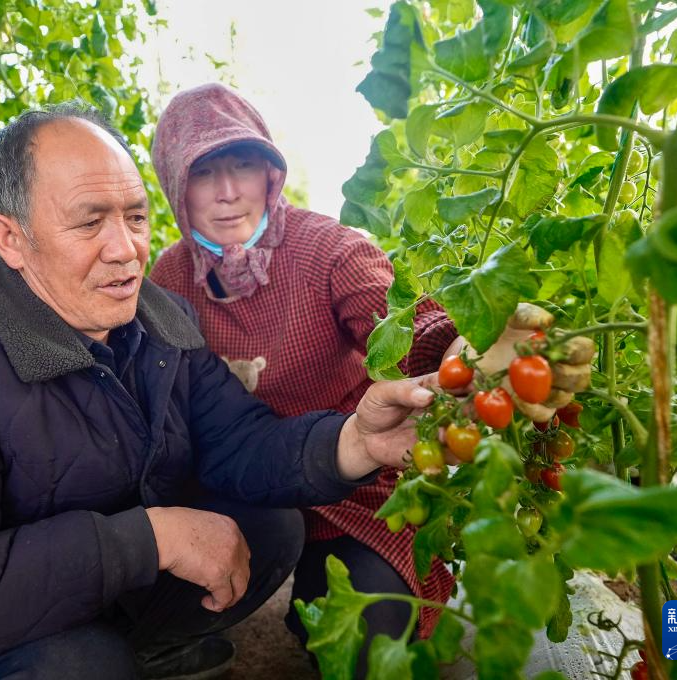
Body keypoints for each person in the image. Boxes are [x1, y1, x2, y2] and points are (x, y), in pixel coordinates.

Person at [0, 102, 448, 680]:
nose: (124, 249)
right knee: (79, 667)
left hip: (96, 587)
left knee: (269, 529)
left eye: (134, 217)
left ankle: (144, 652)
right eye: (89, 222)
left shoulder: (157, 316)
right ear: (11, 239)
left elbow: (239, 439)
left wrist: (355, 442)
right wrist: (150, 538)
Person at [147, 83, 463, 671]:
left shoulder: (329, 250)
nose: (227, 191)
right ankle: (165, 642)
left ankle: (310, 599)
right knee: (201, 564)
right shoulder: (167, 277)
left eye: (243, 165)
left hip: (353, 476)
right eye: (203, 172)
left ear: (270, 172)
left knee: (361, 637)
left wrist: (462, 348)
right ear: (175, 188)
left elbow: (404, 329)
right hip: (240, 485)